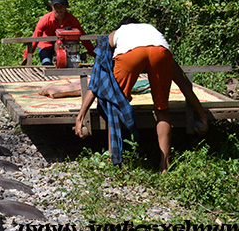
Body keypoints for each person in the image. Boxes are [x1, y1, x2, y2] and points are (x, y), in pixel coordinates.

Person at [75, 17, 208, 173]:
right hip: (160, 51)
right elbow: (184, 84)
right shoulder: (152, 32)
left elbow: (97, 81)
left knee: (115, 103)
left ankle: (115, 163)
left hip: (130, 54)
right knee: (162, 109)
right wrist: (203, 117)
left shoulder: (118, 33)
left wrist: (80, 117)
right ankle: (164, 165)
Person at [22, 0, 96, 66]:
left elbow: (83, 37)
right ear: (51, 6)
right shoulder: (45, 20)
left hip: (64, 48)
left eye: (61, 6)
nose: (59, 9)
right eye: (56, 6)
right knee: (46, 64)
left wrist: (93, 53)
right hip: (46, 46)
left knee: (69, 64)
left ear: (66, 6)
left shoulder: (72, 20)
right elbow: (34, 39)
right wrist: (26, 57)